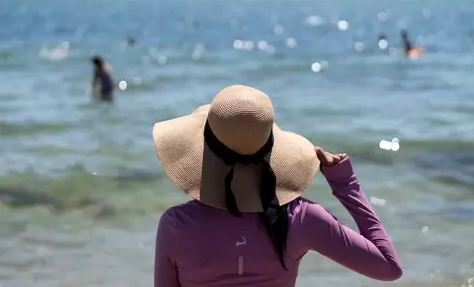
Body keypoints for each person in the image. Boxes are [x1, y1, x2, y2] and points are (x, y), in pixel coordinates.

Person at [153, 85, 402, 287]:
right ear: (271, 146)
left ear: (205, 150)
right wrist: (345, 184)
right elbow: (388, 267)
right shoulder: (300, 218)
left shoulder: (176, 225)